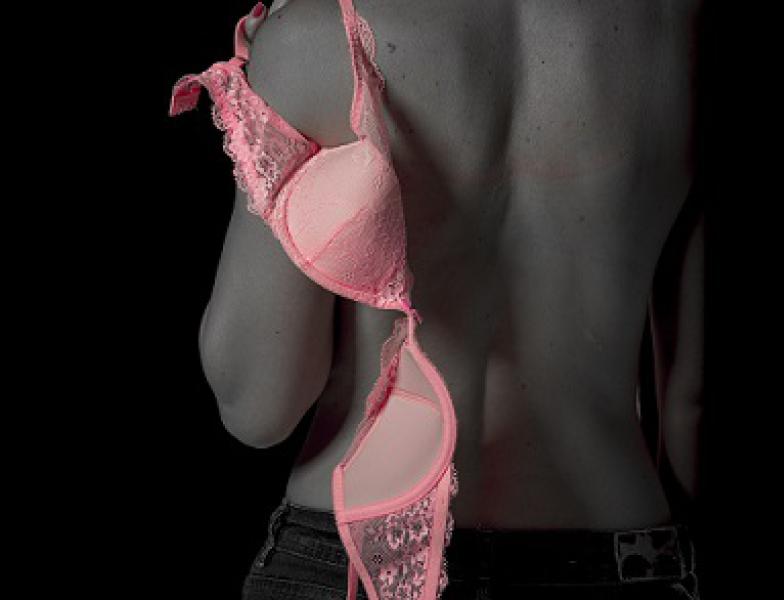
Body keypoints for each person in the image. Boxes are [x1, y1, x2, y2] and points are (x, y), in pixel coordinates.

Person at [194, 1, 707, 598]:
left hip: (361, 564)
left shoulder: (314, 34)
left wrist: (262, 123)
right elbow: (690, 403)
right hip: (620, 549)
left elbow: (258, 407)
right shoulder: (681, 28)